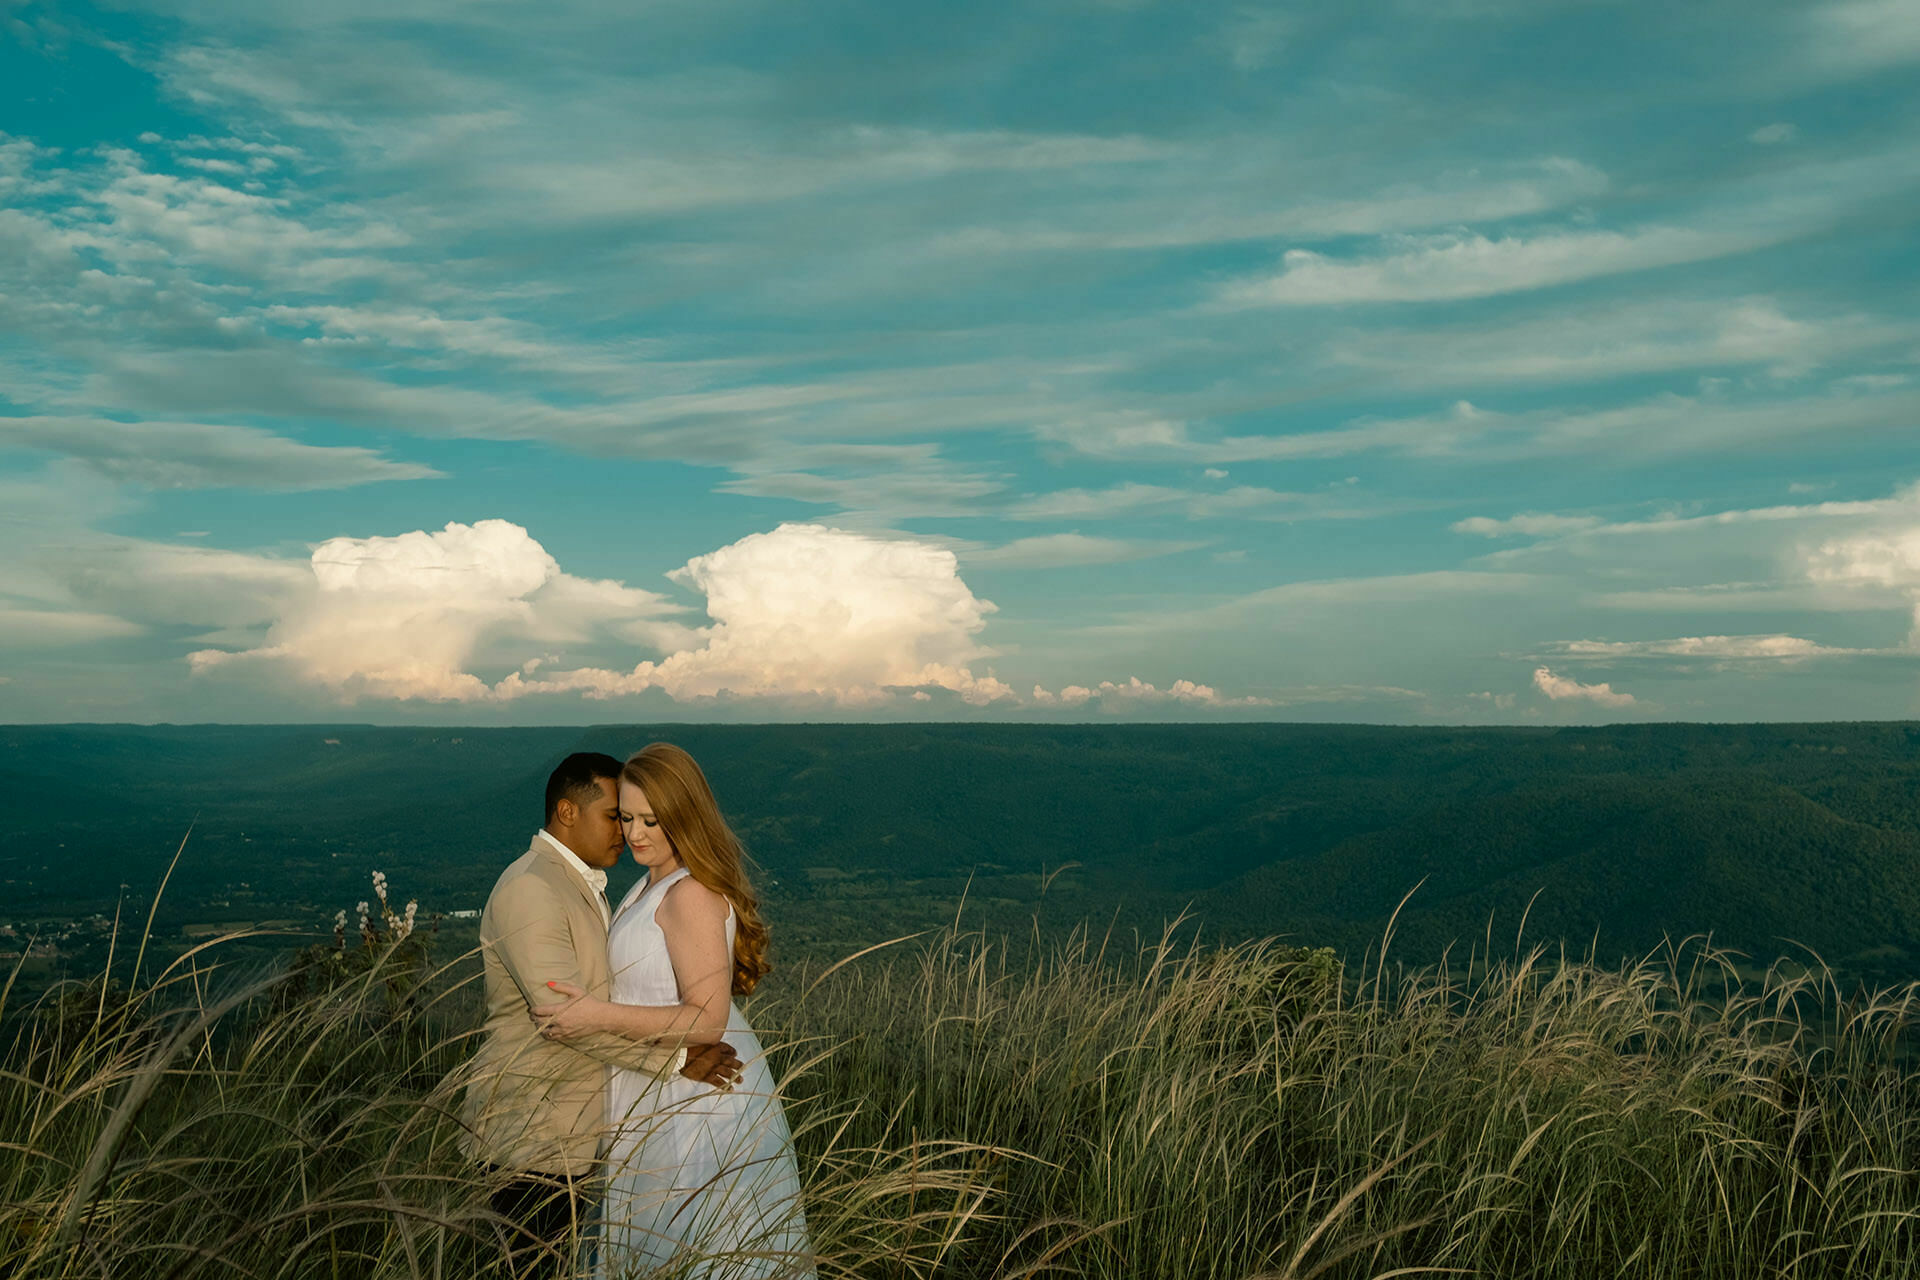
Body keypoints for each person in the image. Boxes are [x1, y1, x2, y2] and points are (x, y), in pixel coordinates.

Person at [534, 743, 815, 1279]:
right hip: (657, 1087)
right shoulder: (648, 883)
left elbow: (707, 1019)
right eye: (626, 817)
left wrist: (596, 1015)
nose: (634, 834)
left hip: (697, 1102)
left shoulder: (688, 895)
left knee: (697, 1244)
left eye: (651, 821)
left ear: (683, 817)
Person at [462, 751, 744, 1280]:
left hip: (579, 1133)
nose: (625, 831)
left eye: (638, 818)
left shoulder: (589, 882)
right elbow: (562, 1020)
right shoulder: (532, 888)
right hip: (533, 1133)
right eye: (616, 816)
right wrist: (676, 1062)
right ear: (568, 813)